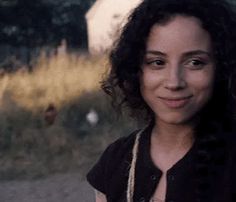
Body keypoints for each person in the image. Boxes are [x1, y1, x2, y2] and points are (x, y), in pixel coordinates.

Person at [87, 0, 236, 201]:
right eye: (157, 62)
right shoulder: (115, 160)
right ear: (135, 70)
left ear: (223, 69)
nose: (174, 82)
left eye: (195, 62)